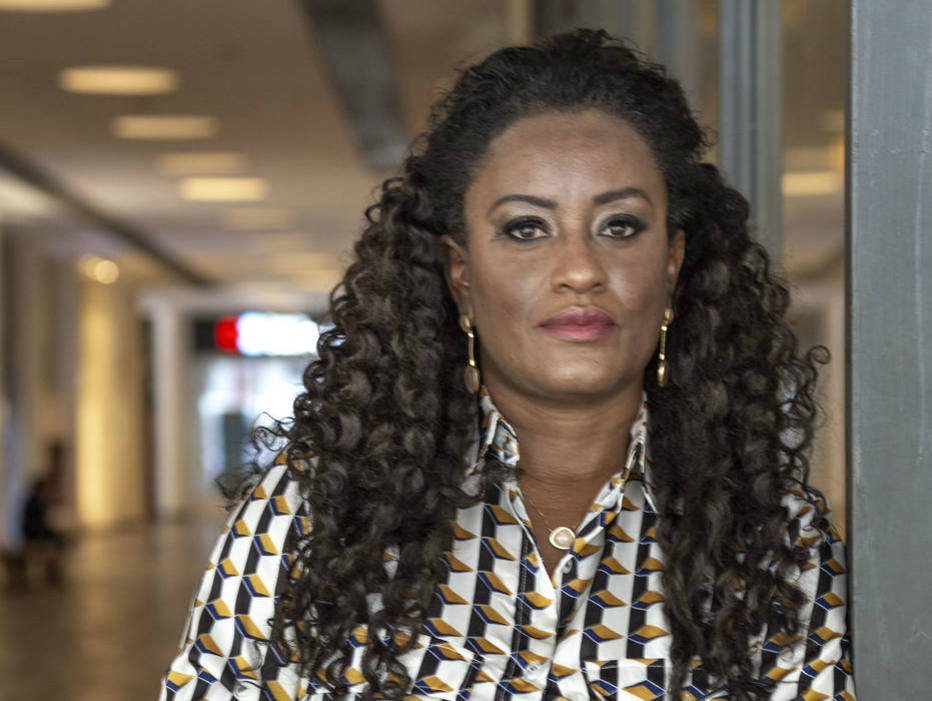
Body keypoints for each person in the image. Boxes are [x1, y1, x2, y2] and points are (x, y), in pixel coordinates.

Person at [159, 30, 855, 701]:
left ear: (671, 262)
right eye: (527, 228)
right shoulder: (311, 514)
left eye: (619, 226)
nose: (580, 269)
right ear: (460, 272)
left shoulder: (775, 541)